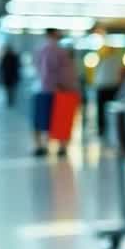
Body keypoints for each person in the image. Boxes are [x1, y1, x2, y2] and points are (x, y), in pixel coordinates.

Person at [32, 28, 77, 157]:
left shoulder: (40, 49)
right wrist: (62, 85)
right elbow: (50, 69)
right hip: (55, 90)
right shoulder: (55, 49)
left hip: (43, 89)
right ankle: (59, 147)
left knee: (41, 120)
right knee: (58, 119)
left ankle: (41, 146)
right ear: (52, 34)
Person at [92, 42, 122, 139]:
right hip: (110, 87)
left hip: (105, 87)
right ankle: (106, 129)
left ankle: (103, 130)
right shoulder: (114, 59)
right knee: (106, 110)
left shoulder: (103, 58)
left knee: (103, 110)